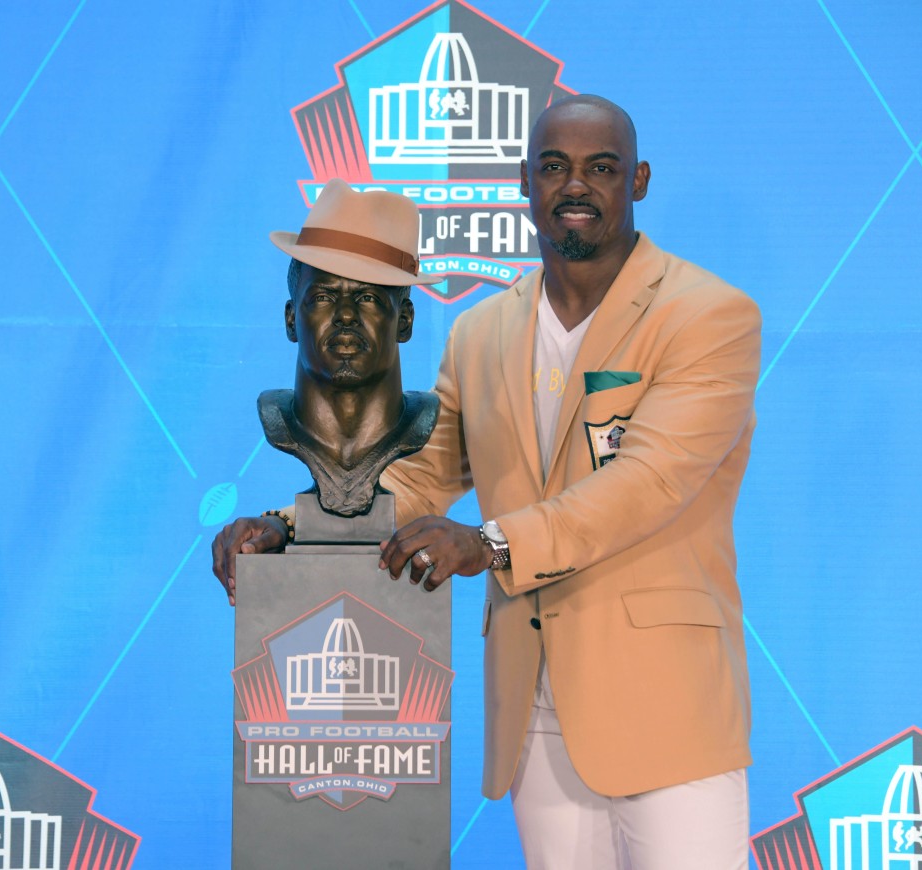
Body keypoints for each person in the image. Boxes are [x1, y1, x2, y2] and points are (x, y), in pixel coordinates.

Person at [214, 95, 761, 869]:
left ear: (637, 179)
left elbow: (649, 482)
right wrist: (289, 527)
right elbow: (426, 475)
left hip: (666, 707)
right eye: (554, 167)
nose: (577, 186)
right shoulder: (482, 332)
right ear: (525, 185)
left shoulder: (708, 315)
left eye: (601, 168)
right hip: (532, 706)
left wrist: (491, 543)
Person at [260, 178, 440, 522]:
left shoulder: (425, 421)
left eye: (368, 297)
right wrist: (281, 525)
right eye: (324, 297)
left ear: (404, 321)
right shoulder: (276, 419)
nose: (345, 315)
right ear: (291, 320)